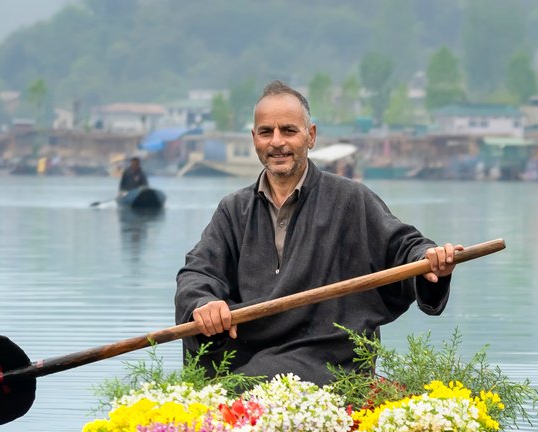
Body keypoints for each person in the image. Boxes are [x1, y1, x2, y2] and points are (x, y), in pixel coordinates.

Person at [175, 79, 460, 384]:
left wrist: (430, 259)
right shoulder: (233, 209)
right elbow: (198, 272)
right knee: (233, 377)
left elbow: (404, 247)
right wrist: (203, 304)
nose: (277, 142)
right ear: (254, 138)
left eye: (288, 130)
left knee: (264, 378)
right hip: (247, 355)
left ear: (310, 136)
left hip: (328, 358)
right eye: (265, 132)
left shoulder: (350, 199)